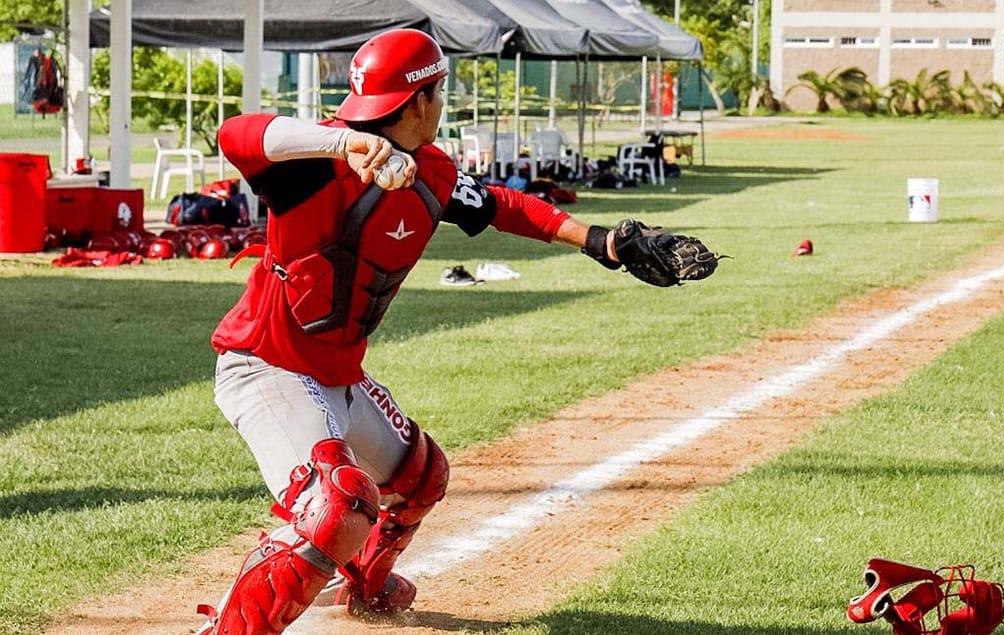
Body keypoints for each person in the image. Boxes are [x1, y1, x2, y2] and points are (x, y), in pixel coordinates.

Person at [195, 29, 716, 635]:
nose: (442, 105)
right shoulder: (312, 164)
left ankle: (359, 585)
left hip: (337, 373)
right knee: (338, 505)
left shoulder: (430, 172)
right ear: (418, 102)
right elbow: (237, 133)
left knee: (421, 479)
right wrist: (346, 143)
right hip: (268, 365)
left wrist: (600, 241)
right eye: (439, 93)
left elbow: (501, 206)